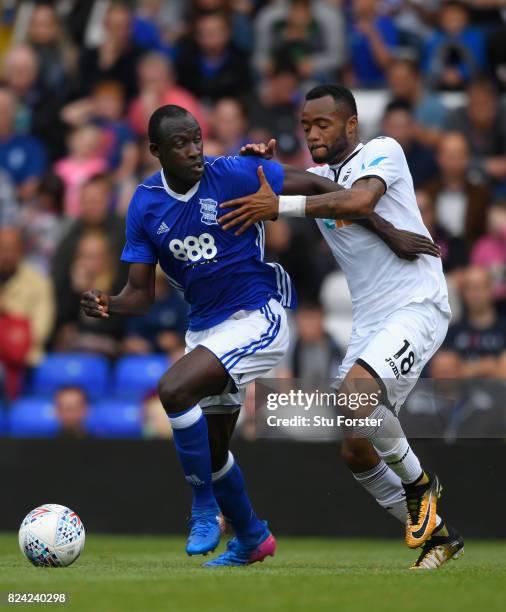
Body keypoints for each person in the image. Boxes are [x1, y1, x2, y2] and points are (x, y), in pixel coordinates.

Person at [80, 104, 436, 567]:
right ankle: (252, 536)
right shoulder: (145, 203)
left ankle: (205, 509)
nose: (193, 150)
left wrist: (388, 230)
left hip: (257, 317)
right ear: (155, 151)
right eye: (180, 144)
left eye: (196, 139)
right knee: (211, 448)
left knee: (172, 389)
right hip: (205, 329)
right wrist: (109, 304)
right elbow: (138, 295)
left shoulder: (233, 173)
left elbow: (319, 185)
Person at [223, 84, 463, 569]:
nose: (312, 133)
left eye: (323, 124)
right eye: (306, 125)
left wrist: (281, 205)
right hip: (369, 319)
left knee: (356, 394)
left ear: (351, 125)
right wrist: (257, 166)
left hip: (416, 302)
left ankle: (420, 485)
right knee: (355, 448)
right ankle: (438, 536)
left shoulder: (383, 150)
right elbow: (281, 189)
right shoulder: (316, 177)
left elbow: (356, 202)